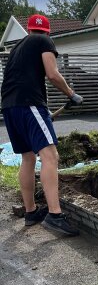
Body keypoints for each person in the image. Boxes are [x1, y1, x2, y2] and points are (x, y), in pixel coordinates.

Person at [1, 14, 83, 236]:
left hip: (10, 106)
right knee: (50, 156)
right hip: (29, 105)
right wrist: (72, 94)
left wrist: (41, 110)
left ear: (28, 30)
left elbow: (24, 77)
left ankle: (31, 212)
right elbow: (52, 74)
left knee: (28, 157)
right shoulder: (44, 41)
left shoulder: (18, 47)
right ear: (47, 32)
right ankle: (55, 216)